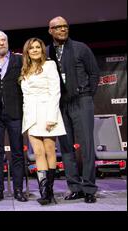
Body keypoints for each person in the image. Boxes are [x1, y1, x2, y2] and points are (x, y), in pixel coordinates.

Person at [47, 16, 100, 203]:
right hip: (60, 104)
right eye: (58, 27)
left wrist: (86, 95)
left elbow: (94, 73)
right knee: (66, 147)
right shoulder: (47, 52)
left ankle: (89, 189)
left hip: (81, 100)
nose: (63, 29)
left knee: (86, 146)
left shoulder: (80, 48)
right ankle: (75, 187)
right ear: (50, 30)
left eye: (65, 26)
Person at [20, 38, 66, 205]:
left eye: (38, 47)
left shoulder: (50, 65)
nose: (35, 50)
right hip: (31, 116)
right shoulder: (25, 69)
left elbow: (56, 92)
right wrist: (26, 118)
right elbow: (25, 96)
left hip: (47, 112)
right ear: (27, 51)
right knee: (38, 153)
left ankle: (50, 191)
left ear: (42, 49)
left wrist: (52, 117)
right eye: (31, 48)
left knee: (49, 151)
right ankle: (44, 192)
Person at [0, 31, 27, 202]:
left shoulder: (19, 60)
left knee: (17, 152)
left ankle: (18, 189)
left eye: (4, 40)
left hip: (15, 111)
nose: (1, 43)